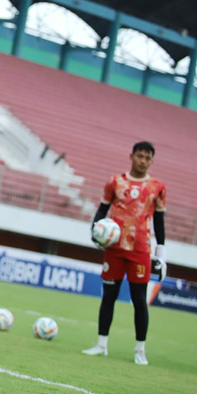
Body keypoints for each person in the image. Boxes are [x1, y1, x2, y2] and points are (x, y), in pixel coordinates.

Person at [82, 141, 167, 366]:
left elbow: (159, 221)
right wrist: (95, 232)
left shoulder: (157, 187)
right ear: (131, 156)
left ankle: (140, 349)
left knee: (139, 300)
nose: (143, 161)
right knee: (108, 296)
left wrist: (161, 252)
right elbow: (102, 209)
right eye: (140, 156)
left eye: (148, 158)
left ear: (152, 161)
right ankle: (101, 345)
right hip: (115, 248)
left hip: (140, 250)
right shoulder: (115, 182)